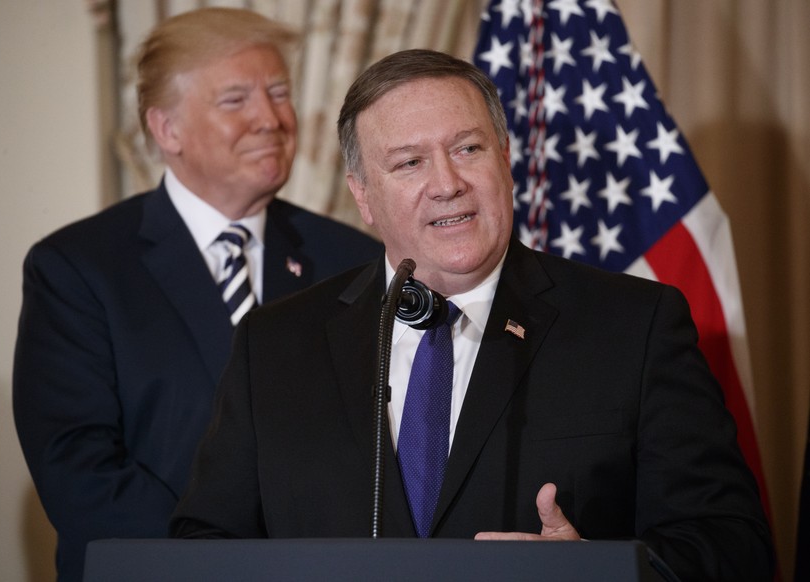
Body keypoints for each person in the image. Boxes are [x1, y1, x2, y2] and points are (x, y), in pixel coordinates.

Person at [169, 49, 775, 580]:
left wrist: (596, 569)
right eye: (408, 162)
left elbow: (732, 542)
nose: (447, 182)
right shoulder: (274, 344)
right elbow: (203, 546)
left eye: (467, 148)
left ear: (505, 161)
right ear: (362, 195)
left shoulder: (634, 325)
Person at [12, 8, 382, 582]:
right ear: (167, 129)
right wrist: (227, 565)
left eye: (279, 91)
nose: (271, 118)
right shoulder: (78, 268)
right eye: (235, 100)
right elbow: (79, 469)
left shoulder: (355, 260)